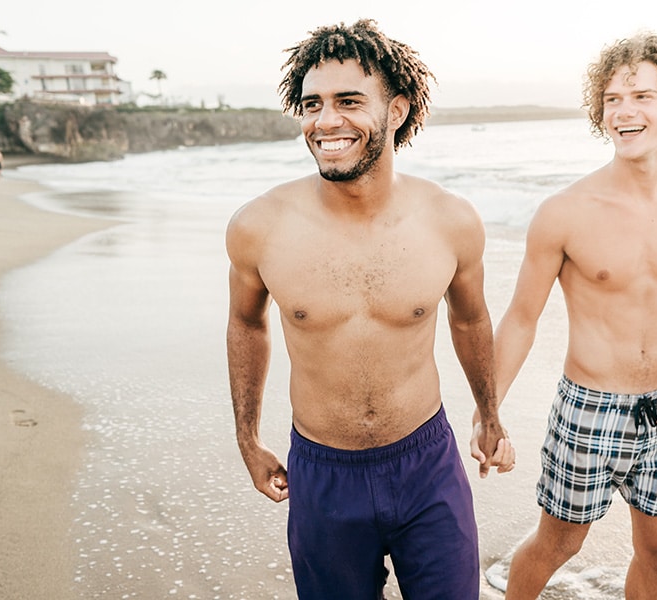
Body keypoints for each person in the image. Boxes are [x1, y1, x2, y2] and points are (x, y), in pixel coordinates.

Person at [225, 19, 514, 600]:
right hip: (322, 473)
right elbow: (246, 322)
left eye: (349, 101)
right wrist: (247, 438)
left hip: (426, 463)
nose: (326, 121)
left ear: (398, 110)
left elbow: (470, 319)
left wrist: (489, 412)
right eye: (312, 104)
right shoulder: (259, 227)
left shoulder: (450, 221)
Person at [494, 32, 657, 599]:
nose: (624, 111)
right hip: (589, 410)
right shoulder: (565, 212)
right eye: (612, 100)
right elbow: (521, 318)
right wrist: (487, 410)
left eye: (642, 96)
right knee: (558, 544)